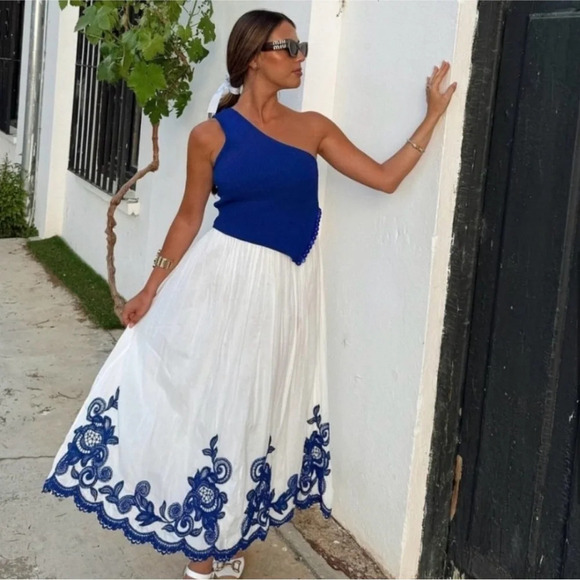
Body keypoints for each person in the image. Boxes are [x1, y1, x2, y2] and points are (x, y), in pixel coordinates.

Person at [42, 8, 456, 580]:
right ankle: (203, 550)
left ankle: (232, 528)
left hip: (288, 289)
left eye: (301, 47)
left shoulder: (313, 127)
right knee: (217, 400)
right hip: (225, 282)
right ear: (255, 57)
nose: (300, 58)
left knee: (261, 406)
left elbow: (385, 178)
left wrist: (431, 117)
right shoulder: (210, 136)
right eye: (290, 48)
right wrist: (151, 287)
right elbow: (189, 217)